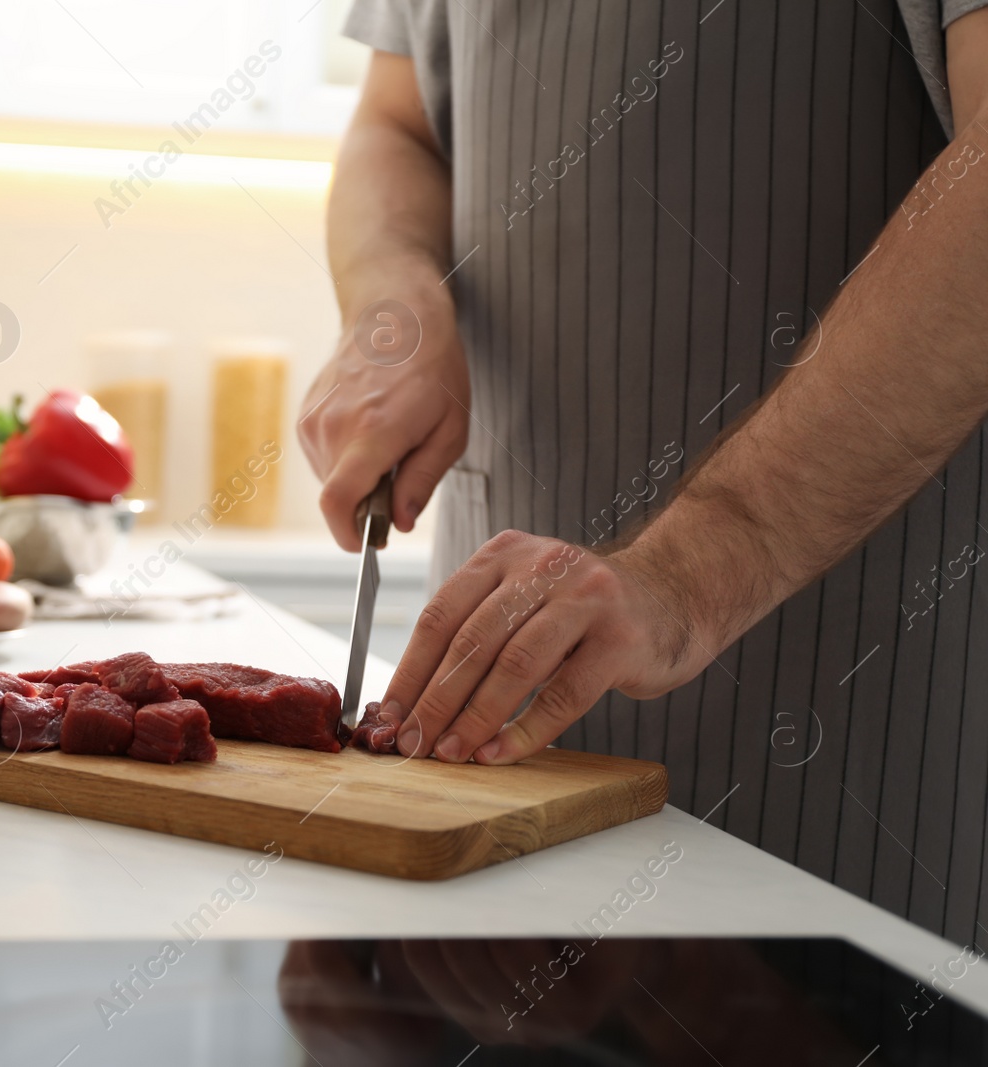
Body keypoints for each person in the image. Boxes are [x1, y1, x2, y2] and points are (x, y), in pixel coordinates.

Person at [302, 0, 988, 945]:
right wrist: (393, 308)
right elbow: (398, 124)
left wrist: (692, 570)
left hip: (857, 804)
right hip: (480, 823)